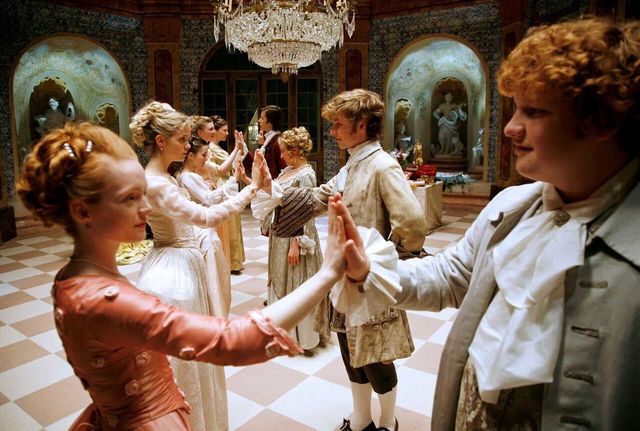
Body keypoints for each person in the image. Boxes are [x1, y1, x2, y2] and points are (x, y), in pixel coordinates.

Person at [336, 17, 640, 431]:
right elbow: (450, 275)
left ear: (600, 119)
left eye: (534, 112)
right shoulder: (512, 207)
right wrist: (368, 270)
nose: (511, 128)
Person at [16, 121, 350, 430]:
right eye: (130, 198)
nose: (146, 209)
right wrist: (328, 272)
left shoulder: (73, 277)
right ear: (83, 211)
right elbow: (232, 341)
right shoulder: (107, 300)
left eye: (142, 194)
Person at [257, 89, 427, 431]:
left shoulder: (382, 165)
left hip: (371, 281)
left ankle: (388, 421)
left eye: (337, 124)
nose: (332, 131)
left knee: (377, 354)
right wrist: (271, 191)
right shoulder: (353, 163)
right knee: (351, 349)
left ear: (361, 124)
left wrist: (382, 265)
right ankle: (362, 417)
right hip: (347, 279)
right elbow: (320, 196)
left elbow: (411, 225)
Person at [129, 101, 270, 431]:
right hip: (174, 269)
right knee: (185, 356)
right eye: (181, 139)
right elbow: (205, 216)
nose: (187, 145)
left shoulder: (163, 177)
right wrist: (252, 188)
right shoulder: (157, 183)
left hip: (180, 258)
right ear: (161, 141)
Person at [250, 126, 326, 354]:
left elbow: (305, 213)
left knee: (295, 280)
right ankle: (281, 330)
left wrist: (296, 245)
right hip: (280, 233)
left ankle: (301, 337)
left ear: (295, 151)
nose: (281, 155)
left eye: (283, 151)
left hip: (294, 235)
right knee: (279, 276)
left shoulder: (306, 175)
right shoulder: (289, 171)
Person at [193, 115, 247, 273]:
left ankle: (226, 261)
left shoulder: (206, 150)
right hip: (208, 190)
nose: (213, 132)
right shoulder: (203, 151)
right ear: (200, 132)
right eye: (210, 129)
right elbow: (220, 169)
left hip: (214, 187)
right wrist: (237, 148)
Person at [432, 91, 467, 156]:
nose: (449, 98)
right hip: (444, 123)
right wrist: (440, 118)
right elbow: (435, 113)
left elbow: (458, 113)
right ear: (445, 97)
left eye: (450, 96)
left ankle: (447, 151)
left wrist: (458, 109)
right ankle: (442, 148)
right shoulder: (442, 105)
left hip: (452, 124)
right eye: (447, 96)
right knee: (441, 136)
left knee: (449, 137)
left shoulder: (454, 105)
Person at [258, 105, 287, 179]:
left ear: (270, 122)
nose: (259, 120)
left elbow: (284, 169)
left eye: (262, 118)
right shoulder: (268, 140)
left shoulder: (277, 142)